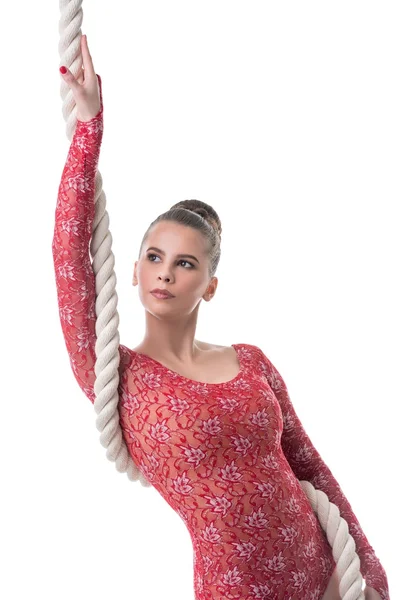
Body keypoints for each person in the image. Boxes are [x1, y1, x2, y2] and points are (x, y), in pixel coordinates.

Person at [53, 33, 389, 600]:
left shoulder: (251, 361)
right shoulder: (118, 378)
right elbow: (69, 261)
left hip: (329, 578)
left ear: (209, 285)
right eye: (154, 258)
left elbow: (311, 470)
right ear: (133, 271)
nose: (165, 273)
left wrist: (369, 571)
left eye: (184, 264)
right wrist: (89, 132)